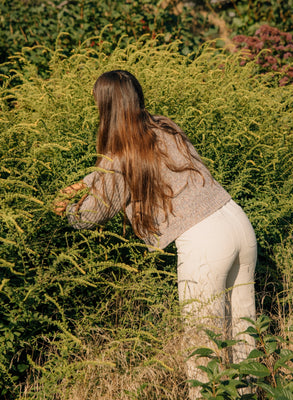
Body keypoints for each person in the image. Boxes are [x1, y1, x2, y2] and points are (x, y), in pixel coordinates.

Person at [53, 70, 257, 399]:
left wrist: (65, 209)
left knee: (203, 350)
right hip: (237, 222)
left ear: (105, 106)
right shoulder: (163, 127)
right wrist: (88, 182)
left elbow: (93, 213)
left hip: (206, 241)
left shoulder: (120, 154)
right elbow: (125, 170)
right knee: (244, 340)